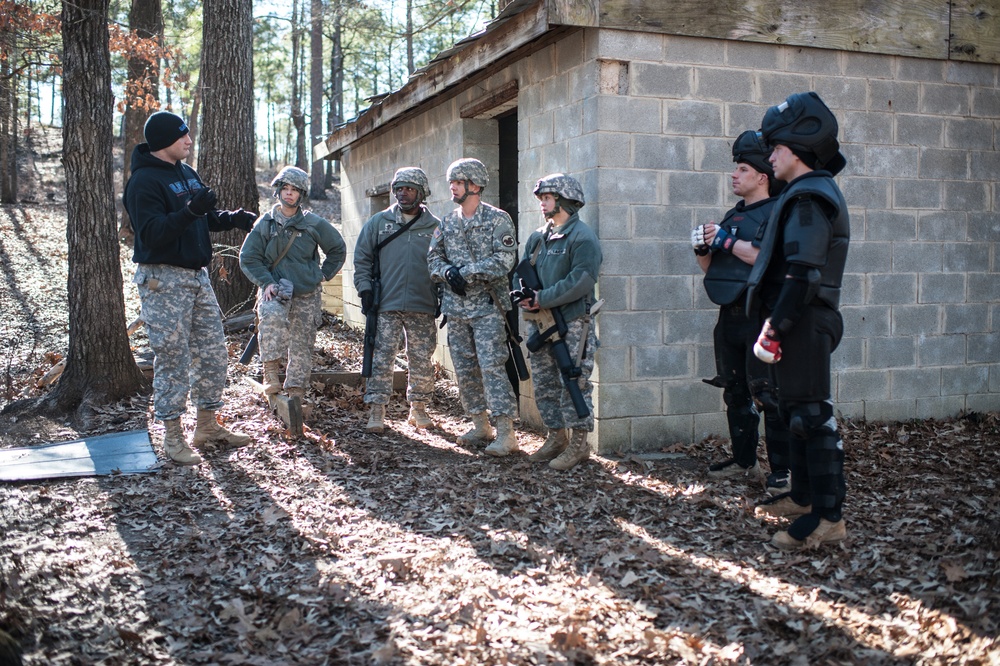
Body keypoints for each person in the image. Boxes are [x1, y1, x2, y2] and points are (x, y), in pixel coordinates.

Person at [745, 92, 850, 551]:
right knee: (794, 414)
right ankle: (805, 499)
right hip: (797, 320)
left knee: (812, 416)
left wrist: (777, 325)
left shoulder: (810, 196)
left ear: (796, 149)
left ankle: (829, 518)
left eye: (775, 149)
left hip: (804, 320)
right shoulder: (803, 193)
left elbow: (804, 273)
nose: (770, 158)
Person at [124, 110, 257, 465]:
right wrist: (191, 211)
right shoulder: (143, 183)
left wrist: (235, 219)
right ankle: (171, 437)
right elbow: (151, 233)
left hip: (197, 278)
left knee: (213, 352)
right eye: (182, 136)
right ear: (164, 141)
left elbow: (207, 218)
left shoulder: (186, 172)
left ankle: (208, 426)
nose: (188, 140)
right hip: (162, 280)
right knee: (173, 358)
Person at [692, 130, 791, 494]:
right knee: (734, 392)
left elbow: (761, 258)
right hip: (728, 317)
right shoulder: (733, 215)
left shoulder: (775, 213)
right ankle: (744, 461)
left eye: (743, 169)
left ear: (762, 177)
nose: (735, 175)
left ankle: (782, 471)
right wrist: (702, 248)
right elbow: (712, 270)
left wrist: (725, 240)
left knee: (768, 394)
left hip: (759, 316)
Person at [427, 158, 519, 456]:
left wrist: (464, 273)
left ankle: (506, 432)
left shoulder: (497, 219)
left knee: (492, 368)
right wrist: (446, 273)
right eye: (451, 182)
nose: (452, 186)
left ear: (475, 185)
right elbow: (433, 259)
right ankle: (480, 424)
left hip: (487, 309)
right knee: (465, 370)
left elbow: (504, 260)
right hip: (455, 310)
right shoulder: (448, 222)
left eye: (458, 181)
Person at [514, 174, 602, 470]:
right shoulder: (538, 237)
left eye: (547, 198)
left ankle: (579, 444)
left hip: (573, 323)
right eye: (541, 199)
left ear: (565, 201)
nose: (542, 204)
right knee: (545, 383)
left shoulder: (582, 237)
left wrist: (543, 297)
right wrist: (523, 296)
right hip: (539, 322)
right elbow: (520, 271)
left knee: (573, 382)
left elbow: (580, 281)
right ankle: (556, 437)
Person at [239, 166, 346, 402]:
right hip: (275, 290)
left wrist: (322, 275)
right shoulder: (265, 223)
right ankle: (270, 375)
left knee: (303, 341)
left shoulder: (313, 224)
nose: (289, 193)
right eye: (285, 188)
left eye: (294, 190)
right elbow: (248, 257)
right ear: (278, 191)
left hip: (306, 292)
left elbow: (337, 249)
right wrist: (266, 282)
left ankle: (296, 390)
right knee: (272, 319)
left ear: (301, 194)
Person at [354, 167, 441, 433]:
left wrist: (443, 298)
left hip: (422, 303)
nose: (403, 194)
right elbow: (362, 259)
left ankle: (419, 409)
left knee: (421, 359)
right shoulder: (379, 223)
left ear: (421, 193)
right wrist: (365, 289)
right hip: (386, 304)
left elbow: (445, 263)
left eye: (410, 189)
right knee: (381, 358)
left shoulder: (435, 226)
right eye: (399, 189)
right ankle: (377, 411)